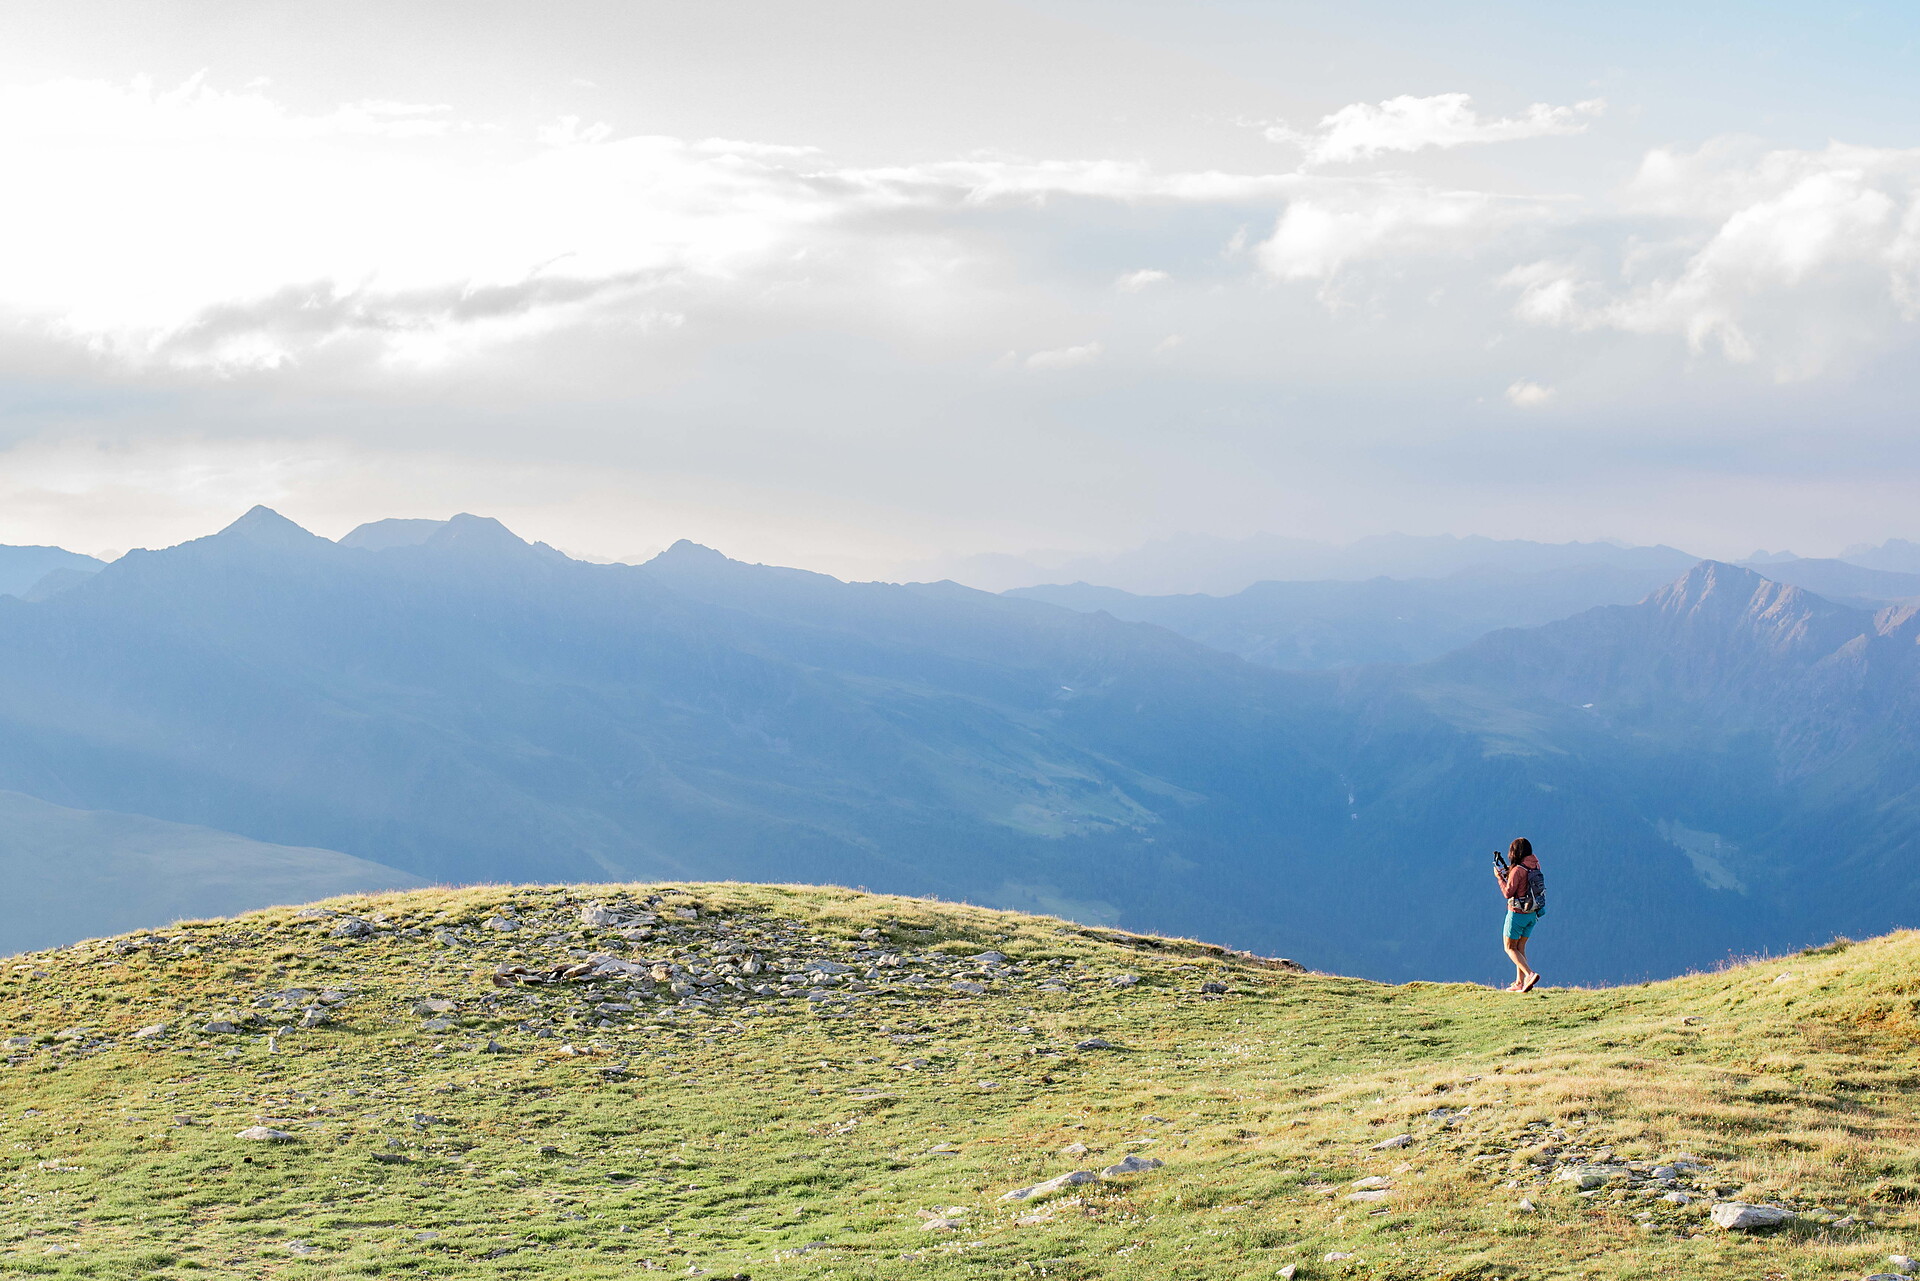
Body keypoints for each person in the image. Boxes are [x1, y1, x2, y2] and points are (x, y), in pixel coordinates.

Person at [1496, 837, 1544, 992]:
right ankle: (1519, 983)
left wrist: (1500, 878)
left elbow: (1508, 892)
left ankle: (1529, 974)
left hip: (1517, 914)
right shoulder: (1535, 865)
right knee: (1520, 947)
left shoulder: (1517, 870)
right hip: (1532, 913)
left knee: (1509, 947)